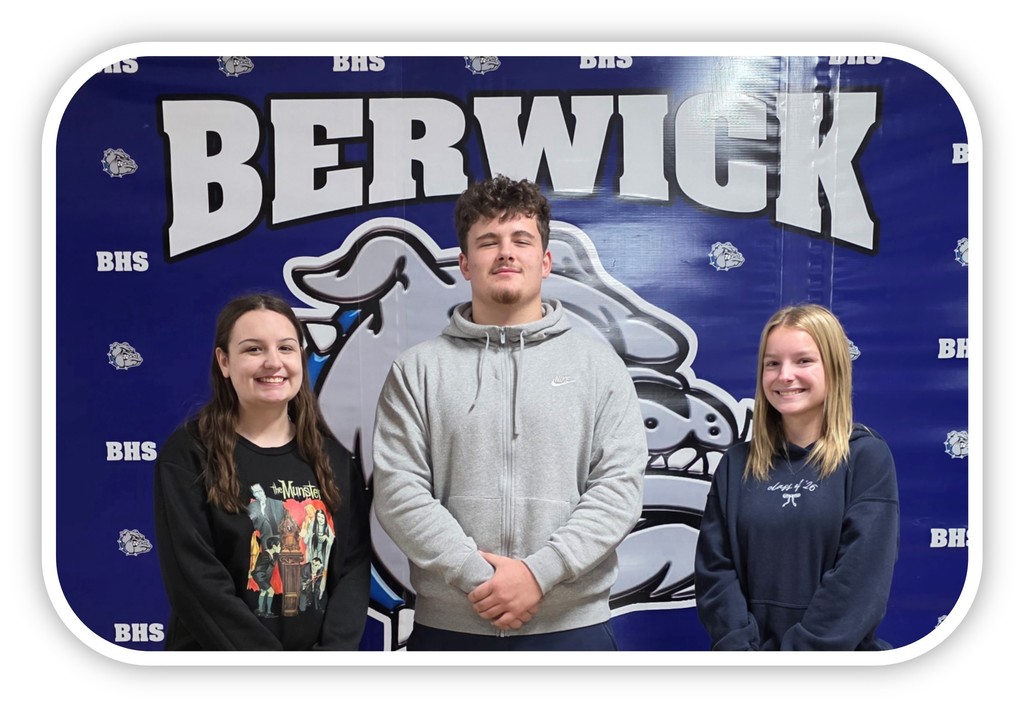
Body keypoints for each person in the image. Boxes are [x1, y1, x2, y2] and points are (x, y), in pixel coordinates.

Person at [371, 175, 647, 651]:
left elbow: (618, 489)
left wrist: (538, 576)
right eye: (487, 241)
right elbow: (400, 492)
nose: (505, 252)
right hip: (451, 629)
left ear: (544, 262)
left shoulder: (598, 367)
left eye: (521, 239)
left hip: (571, 628)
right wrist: (484, 581)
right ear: (464, 263)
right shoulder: (417, 370)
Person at [153, 293, 371, 650]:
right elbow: (196, 583)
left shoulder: (331, 457)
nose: (273, 363)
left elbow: (352, 567)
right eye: (254, 350)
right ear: (224, 361)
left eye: (286, 348)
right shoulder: (190, 454)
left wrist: (332, 659)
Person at [694, 304, 899, 650]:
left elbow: (860, 580)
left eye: (803, 361)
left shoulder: (866, 458)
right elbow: (716, 572)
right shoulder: (736, 464)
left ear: (833, 367)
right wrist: (740, 653)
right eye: (772, 363)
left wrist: (795, 662)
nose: (784, 375)